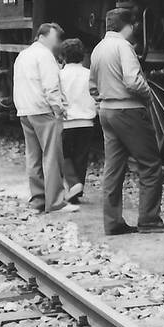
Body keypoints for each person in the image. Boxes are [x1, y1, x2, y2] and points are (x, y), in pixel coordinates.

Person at [89, 7, 164, 235]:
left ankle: (113, 223)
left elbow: (92, 87)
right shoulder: (123, 47)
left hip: (107, 111)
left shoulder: (98, 49)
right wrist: (148, 97)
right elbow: (133, 81)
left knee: (113, 169)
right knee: (150, 165)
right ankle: (148, 220)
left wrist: (105, 98)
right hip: (129, 111)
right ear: (130, 26)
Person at [12, 23, 77, 215]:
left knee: (33, 156)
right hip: (43, 110)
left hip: (25, 110)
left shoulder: (23, 55)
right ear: (44, 36)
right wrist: (59, 109)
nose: (58, 43)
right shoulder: (45, 56)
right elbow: (51, 86)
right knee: (52, 156)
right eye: (56, 38)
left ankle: (38, 199)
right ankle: (56, 202)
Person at [59, 38, 96, 204]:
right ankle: (77, 191)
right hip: (86, 122)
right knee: (81, 157)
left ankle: (73, 185)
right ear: (82, 56)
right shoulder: (89, 75)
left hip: (66, 122)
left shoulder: (59, 75)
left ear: (63, 57)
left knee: (64, 155)